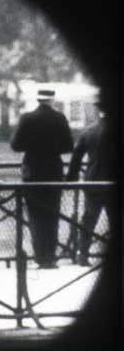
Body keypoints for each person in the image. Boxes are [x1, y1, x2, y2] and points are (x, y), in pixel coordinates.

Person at [10, 89, 73, 269]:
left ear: (38, 99)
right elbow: (68, 146)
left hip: (33, 172)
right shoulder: (60, 118)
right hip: (53, 171)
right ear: (52, 100)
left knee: (35, 216)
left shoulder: (27, 118)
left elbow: (16, 145)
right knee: (52, 214)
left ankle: (39, 257)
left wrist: (33, 145)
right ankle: (50, 258)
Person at [65, 99, 117, 266]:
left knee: (89, 219)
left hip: (93, 181)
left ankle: (83, 255)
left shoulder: (89, 131)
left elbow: (76, 158)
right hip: (114, 182)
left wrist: (70, 178)